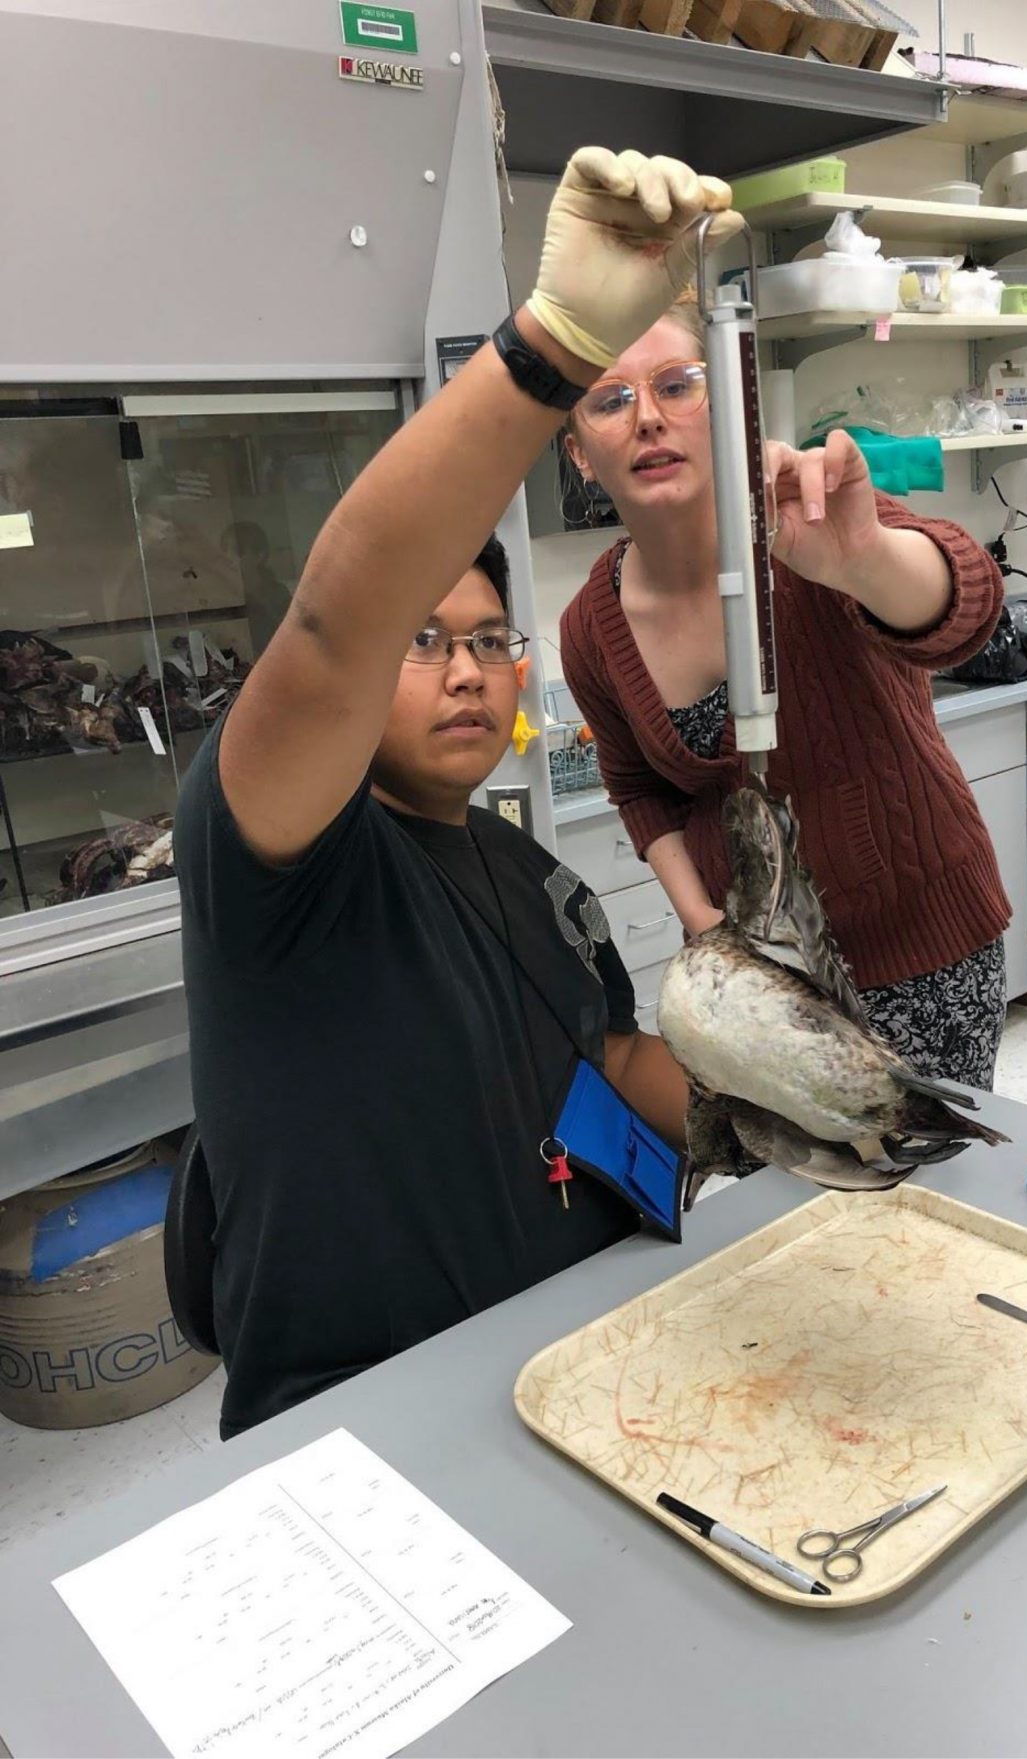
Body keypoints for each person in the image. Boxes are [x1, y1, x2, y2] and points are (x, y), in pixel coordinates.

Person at [174, 148, 739, 1438]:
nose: (467, 671)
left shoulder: (529, 871)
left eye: (490, 639)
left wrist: (763, 1116)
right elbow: (334, 619)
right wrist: (556, 346)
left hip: (572, 1372)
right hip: (361, 1422)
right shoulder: (279, 860)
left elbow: (605, 1054)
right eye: (421, 641)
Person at [560, 298, 1012, 1090]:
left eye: (676, 386)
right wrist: (708, 931)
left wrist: (861, 558)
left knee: (924, 1195)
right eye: (611, 399)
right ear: (580, 455)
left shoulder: (806, 524)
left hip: (922, 944)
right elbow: (638, 789)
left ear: (728, 412)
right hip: (767, 984)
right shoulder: (590, 629)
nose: (648, 419)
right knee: (802, 1199)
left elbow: (964, 614)